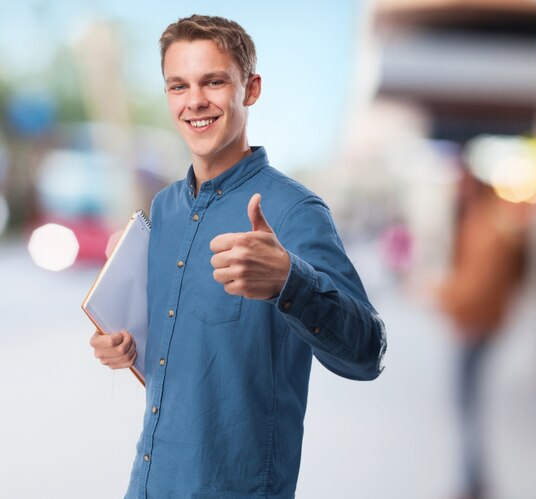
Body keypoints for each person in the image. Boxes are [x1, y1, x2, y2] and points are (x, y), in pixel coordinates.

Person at [89, 14, 386, 499]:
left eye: (213, 81)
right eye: (178, 86)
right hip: (148, 483)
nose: (194, 101)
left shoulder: (294, 212)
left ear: (250, 89)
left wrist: (290, 279)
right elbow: (178, 341)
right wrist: (121, 344)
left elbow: (368, 353)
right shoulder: (163, 208)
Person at [437, 168, 530, 499]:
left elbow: (478, 287)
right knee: (467, 403)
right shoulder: (485, 221)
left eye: (460, 185)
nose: (455, 192)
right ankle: (473, 476)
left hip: (475, 326)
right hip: (478, 323)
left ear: (472, 187)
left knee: (467, 404)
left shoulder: (486, 227)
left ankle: (472, 480)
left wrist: (440, 295)